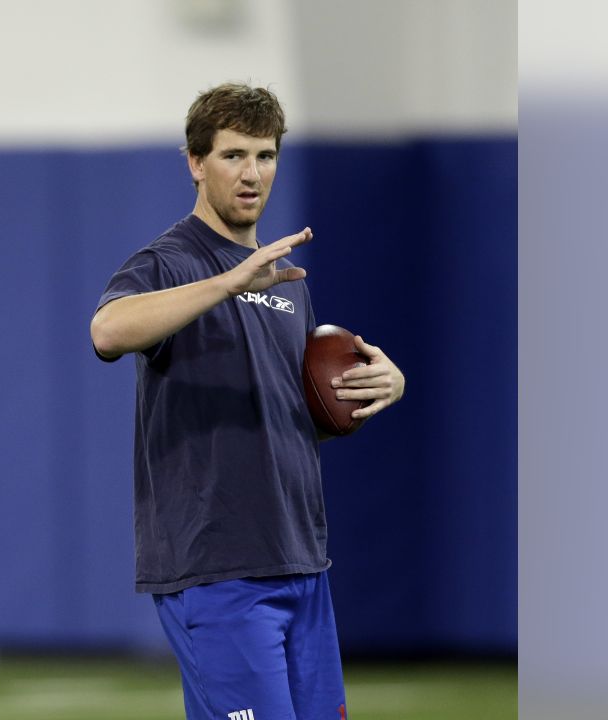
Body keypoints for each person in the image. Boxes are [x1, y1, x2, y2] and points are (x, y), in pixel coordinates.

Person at [90, 83, 405, 719]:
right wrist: (228, 281)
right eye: (233, 155)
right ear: (195, 163)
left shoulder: (285, 284)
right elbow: (107, 331)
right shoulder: (170, 261)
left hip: (300, 558)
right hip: (218, 569)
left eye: (265, 156)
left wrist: (375, 389)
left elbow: (289, 416)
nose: (251, 173)